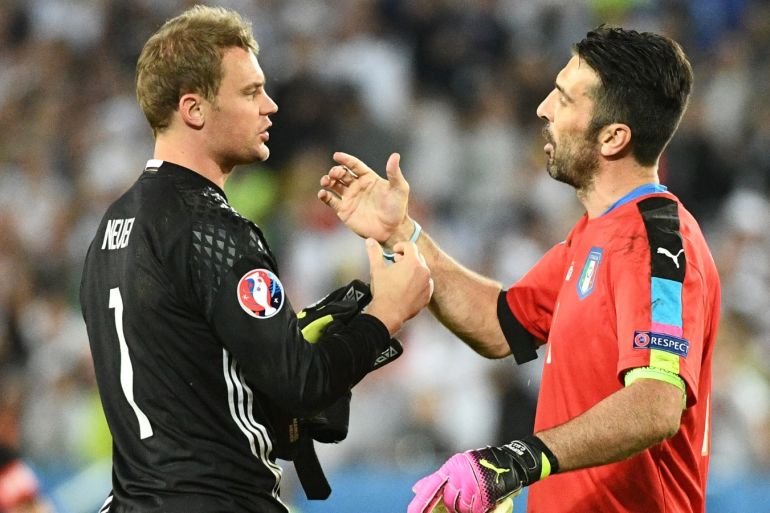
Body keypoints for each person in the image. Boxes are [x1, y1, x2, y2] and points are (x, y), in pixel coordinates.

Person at [318, 26, 719, 513]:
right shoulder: (591, 236)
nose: (543, 108)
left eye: (565, 99)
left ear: (613, 137)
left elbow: (656, 403)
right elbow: (498, 324)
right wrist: (402, 232)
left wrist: (519, 459)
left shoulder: (655, 242)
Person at [79, 5, 432, 513]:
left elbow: (191, 387)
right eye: (249, 92)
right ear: (194, 109)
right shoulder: (212, 228)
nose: (270, 105)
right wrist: (387, 313)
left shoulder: (109, 229)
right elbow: (302, 383)